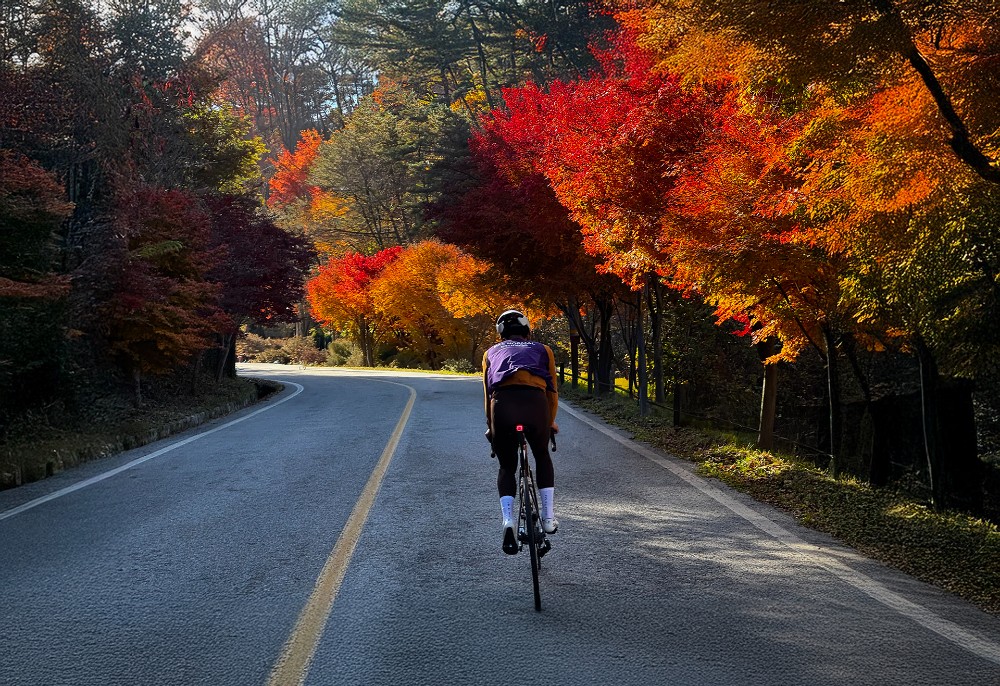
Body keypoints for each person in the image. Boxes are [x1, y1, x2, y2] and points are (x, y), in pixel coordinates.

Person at [483, 309, 559, 555]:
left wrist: (491, 426)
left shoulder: (490, 353)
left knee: (507, 466)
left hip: (502, 407)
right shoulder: (543, 349)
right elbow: (552, 392)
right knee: (542, 455)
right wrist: (550, 422)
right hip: (535, 405)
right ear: (527, 329)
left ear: (501, 333)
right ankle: (548, 518)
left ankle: (508, 520)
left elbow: (488, 394)